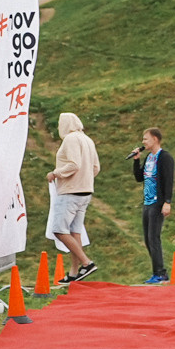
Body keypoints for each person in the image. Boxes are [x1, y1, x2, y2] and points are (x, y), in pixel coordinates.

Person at [48, 111, 100, 282]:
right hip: (85, 191)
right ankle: (73, 273)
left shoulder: (70, 139)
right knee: (75, 231)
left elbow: (73, 164)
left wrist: (56, 173)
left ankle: (86, 263)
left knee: (59, 230)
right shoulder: (87, 139)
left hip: (70, 191)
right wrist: (85, 179)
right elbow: (95, 168)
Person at [131, 127, 175, 283]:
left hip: (158, 202)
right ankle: (157, 271)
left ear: (155, 139)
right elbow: (139, 177)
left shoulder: (165, 158)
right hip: (147, 203)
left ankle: (160, 273)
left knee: (153, 237)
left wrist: (167, 202)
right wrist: (136, 161)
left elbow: (168, 181)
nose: (143, 142)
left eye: (146, 139)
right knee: (147, 239)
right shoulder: (149, 157)